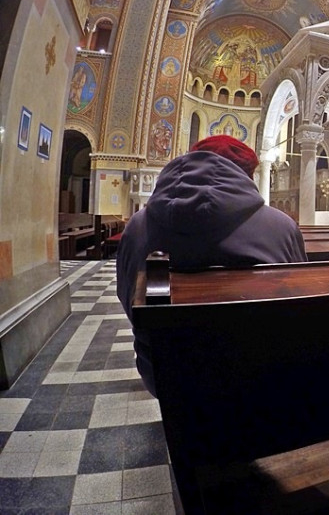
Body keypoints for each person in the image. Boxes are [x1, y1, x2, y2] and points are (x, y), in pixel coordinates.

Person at [117, 135, 308, 396]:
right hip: (263, 369)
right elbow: (300, 298)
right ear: (248, 175)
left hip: (164, 373)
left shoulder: (137, 227)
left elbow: (127, 295)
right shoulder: (282, 227)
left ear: (193, 160)